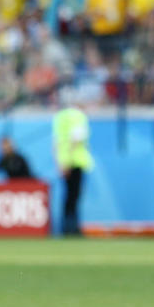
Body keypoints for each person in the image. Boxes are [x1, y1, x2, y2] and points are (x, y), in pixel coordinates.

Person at [52, 101, 93, 235]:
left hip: (64, 162)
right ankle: (72, 228)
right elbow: (76, 139)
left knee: (68, 196)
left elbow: (56, 143)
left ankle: (66, 227)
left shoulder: (59, 118)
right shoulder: (78, 117)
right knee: (74, 196)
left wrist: (61, 163)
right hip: (75, 162)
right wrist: (68, 161)